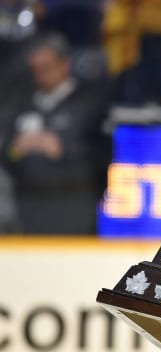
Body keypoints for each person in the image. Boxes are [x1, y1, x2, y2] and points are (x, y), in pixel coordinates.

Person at [0, 32, 110, 234]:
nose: (40, 74)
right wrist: (18, 149)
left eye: (46, 67)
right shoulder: (22, 101)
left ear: (64, 64)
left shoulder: (89, 103)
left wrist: (63, 149)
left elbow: (102, 153)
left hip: (74, 205)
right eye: (35, 69)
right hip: (28, 207)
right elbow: (8, 151)